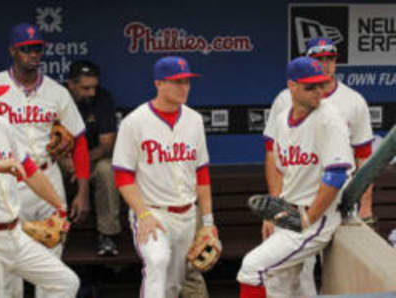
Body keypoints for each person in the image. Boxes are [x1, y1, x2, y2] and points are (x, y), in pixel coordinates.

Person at [0, 71, 79, 297]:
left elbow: (29, 170)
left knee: (66, 282)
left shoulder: (1, 126)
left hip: (16, 234)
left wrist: (59, 207)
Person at [262, 37, 374, 296]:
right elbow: (274, 155)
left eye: (330, 58)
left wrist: (366, 207)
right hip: (300, 199)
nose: (325, 64)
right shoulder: (284, 100)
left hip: (342, 199)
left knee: (343, 272)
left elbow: (364, 158)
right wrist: (275, 205)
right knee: (299, 273)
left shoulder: (353, 100)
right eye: (318, 58)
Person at [237, 57, 355, 298]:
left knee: (252, 268)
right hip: (288, 213)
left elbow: (335, 176)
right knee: (284, 289)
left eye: (321, 85)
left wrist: (307, 219)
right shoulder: (282, 120)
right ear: (292, 86)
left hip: (315, 217)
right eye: (310, 87)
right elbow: (284, 171)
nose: (318, 92)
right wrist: (275, 212)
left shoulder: (329, 120)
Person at [0, 23, 90, 297]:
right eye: (26, 49)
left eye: (37, 49)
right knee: (9, 262)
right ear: (13, 51)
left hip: (47, 176)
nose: (33, 54)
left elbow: (79, 140)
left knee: (52, 259)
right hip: (10, 180)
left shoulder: (57, 92)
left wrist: (82, 192)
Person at [112, 56, 219, 298]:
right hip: (153, 212)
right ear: (159, 84)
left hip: (187, 215)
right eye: (177, 82)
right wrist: (143, 214)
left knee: (173, 286)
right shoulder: (135, 122)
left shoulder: (194, 120)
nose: (184, 87)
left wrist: (209, 223)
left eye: (187, 82)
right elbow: (122, 176)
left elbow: (202, 173)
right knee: (157, 262)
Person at [65, 60, 121, 256]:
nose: (92, 93)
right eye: (85, 88)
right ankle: (46, 233)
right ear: (71, 84)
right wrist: (67, 163)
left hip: (92, 160)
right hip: (61, 162)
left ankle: (107, 235)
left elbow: (107, 144)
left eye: (94, 87)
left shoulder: (102, 98)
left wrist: (82, 163)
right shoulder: (57, 97)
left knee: (107, 169)